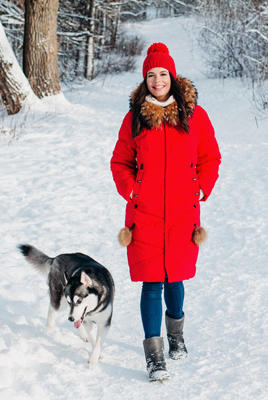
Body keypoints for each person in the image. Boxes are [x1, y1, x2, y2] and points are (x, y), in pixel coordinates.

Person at [110, 42, 221, 382]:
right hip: (144, 213)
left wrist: (200, 188)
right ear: (145, 80)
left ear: (172, 76)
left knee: (176, 278)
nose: (157, 80)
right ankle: (155, 356)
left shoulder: (195, 116)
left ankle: (176, 335)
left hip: (181, 213)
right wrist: (132, 189)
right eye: (151, 75)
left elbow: (210, 157)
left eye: (162, 74)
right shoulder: (135, 118)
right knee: (151, 282)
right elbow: (120, 162)